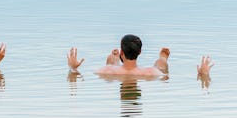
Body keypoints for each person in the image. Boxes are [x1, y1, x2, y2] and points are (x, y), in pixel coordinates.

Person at [67, 34, 214, 79]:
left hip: (114, 71)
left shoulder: (102, 71)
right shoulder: (153, 74)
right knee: (160, 64)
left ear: (123, 53)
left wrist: (73, 68)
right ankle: (162, 56)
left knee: (111, 66)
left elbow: (77, 74)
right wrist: (204, 76)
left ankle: (113, 59)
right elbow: (166, 76)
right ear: (140, 53)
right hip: (146, 72)